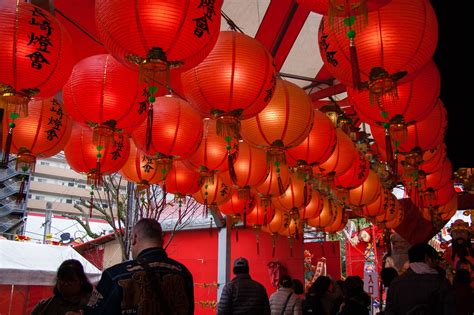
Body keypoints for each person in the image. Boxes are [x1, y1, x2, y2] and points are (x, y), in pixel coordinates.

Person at [85, 218, 194, 314]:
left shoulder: (115, 275)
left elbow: (94, 311)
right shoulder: (183, 273)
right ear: (162, 240)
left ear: (134, 238)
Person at [385, 242, 455, 315]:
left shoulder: (396, 283)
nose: (437, 262)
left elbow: (389, 311)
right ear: (427, 258)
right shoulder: (441, 283)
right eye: (435, 258)